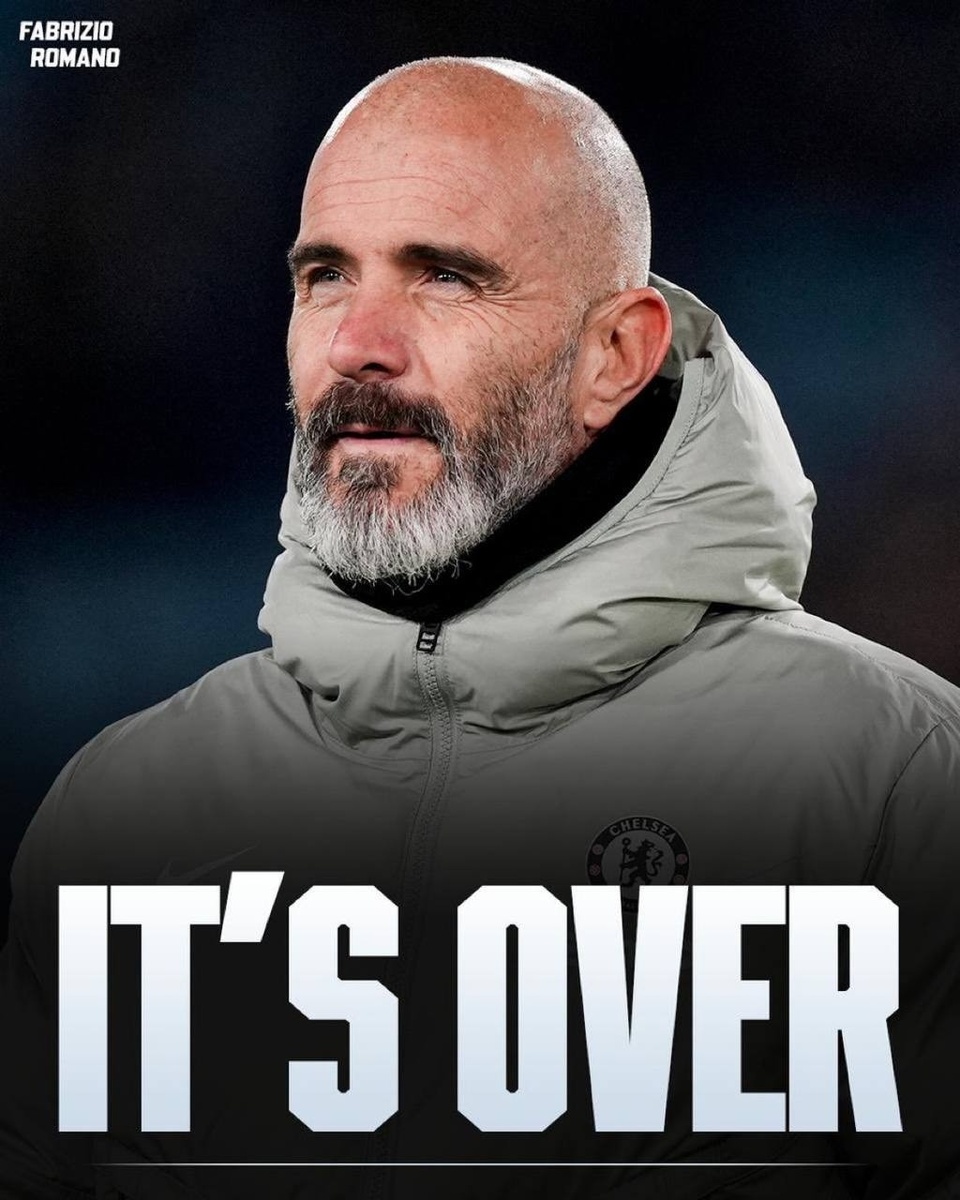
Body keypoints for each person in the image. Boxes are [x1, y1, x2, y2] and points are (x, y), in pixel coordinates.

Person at [2, 56, 959, 1200]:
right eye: (325, 277)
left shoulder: (894, 784)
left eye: (445, 277)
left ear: (616, 355)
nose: (359, 342)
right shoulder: (123, 812)